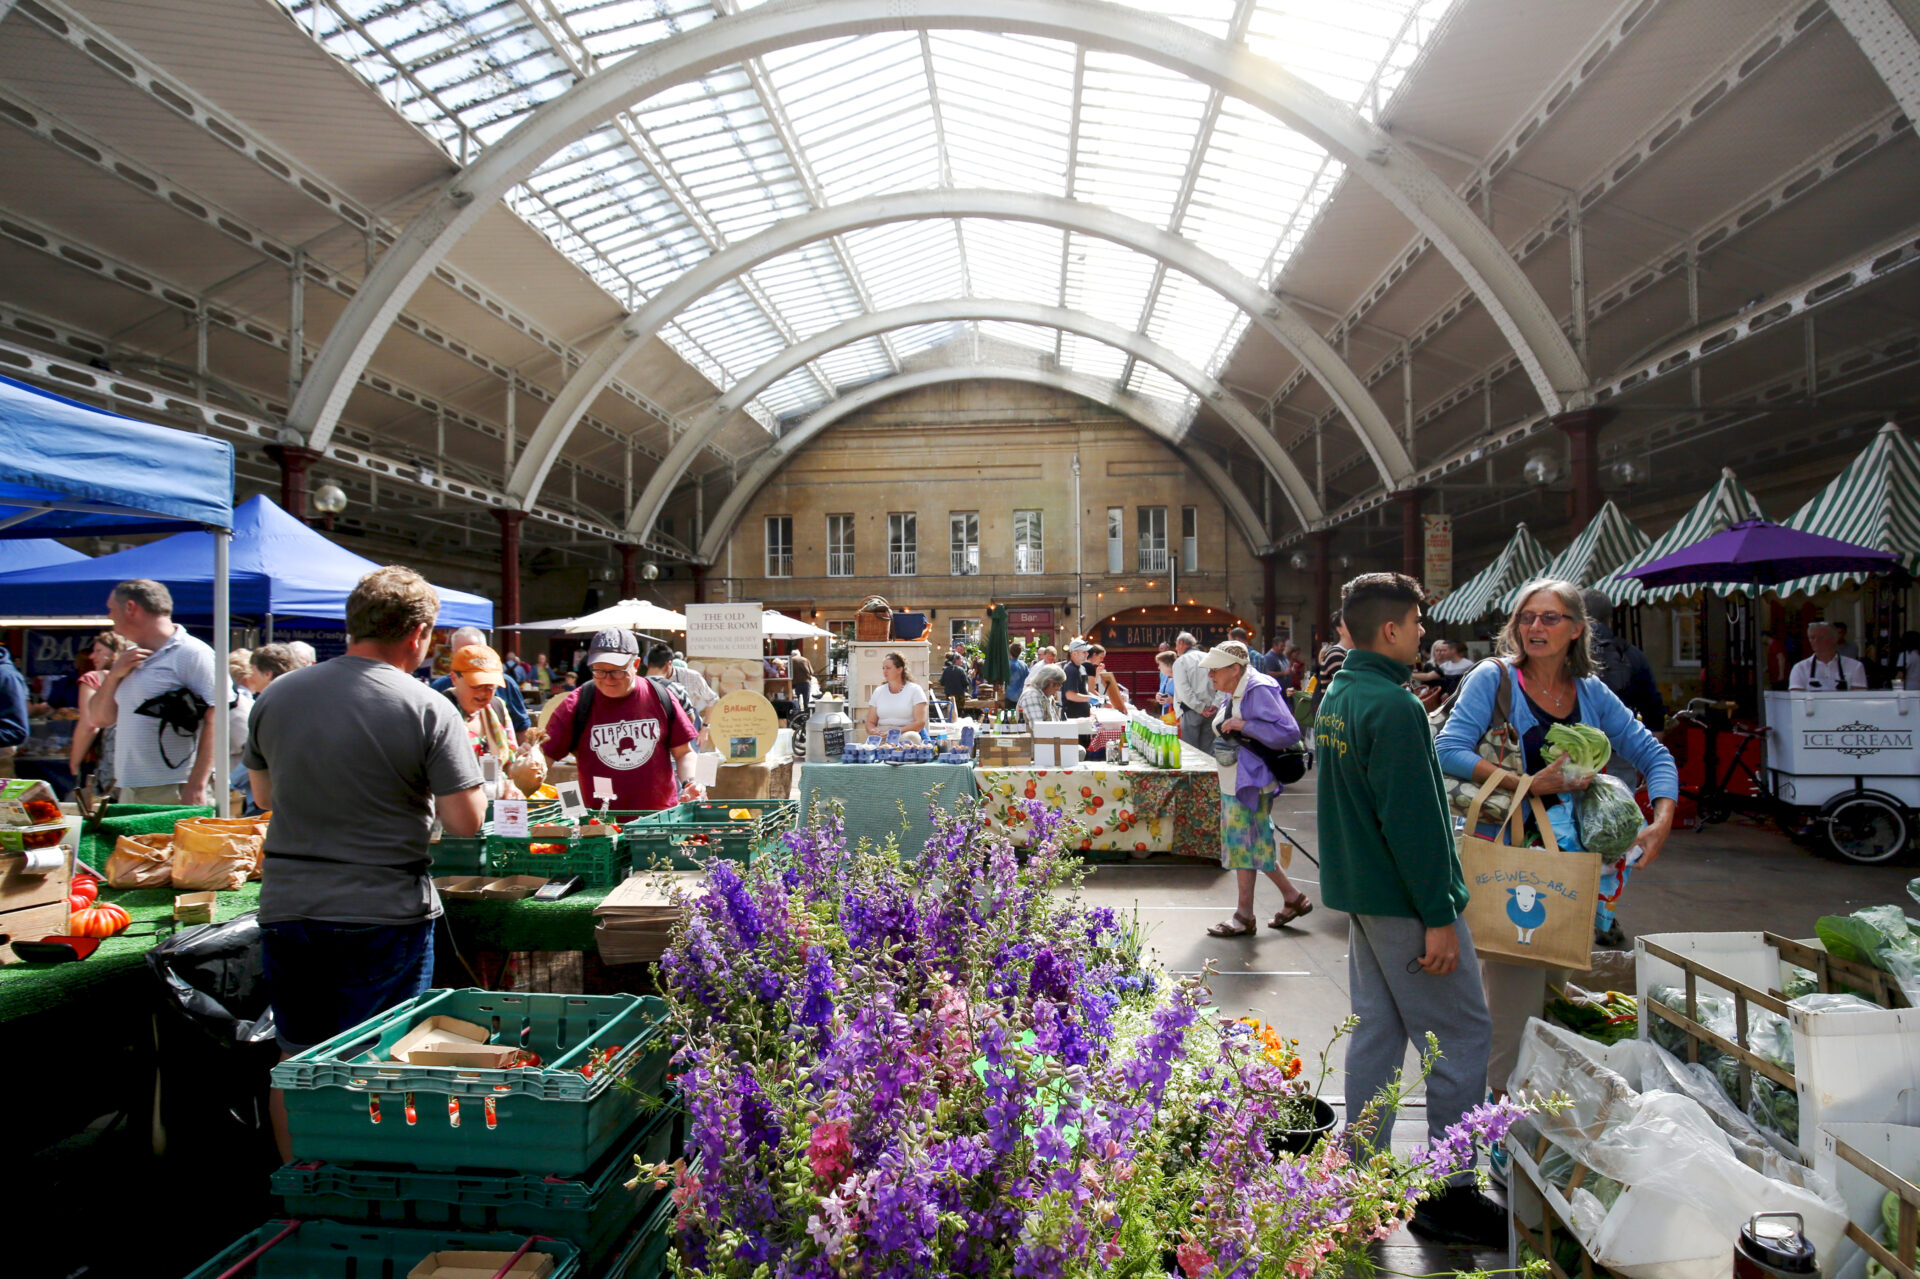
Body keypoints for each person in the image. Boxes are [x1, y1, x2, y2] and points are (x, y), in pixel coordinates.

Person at [246, 566, 487, 1160]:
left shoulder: (275, 695)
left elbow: (265, 798)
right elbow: (466, 822)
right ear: (420, 633)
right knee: (383, 1060)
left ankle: (302, 1184)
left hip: (289, 906)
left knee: (296, 1057)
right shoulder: (427, 707)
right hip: (383, 911)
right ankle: (375, 1184)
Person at [1435, 579, 1679, 1106]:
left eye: (1549, 618)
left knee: (1552, 986)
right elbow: (1447, 750)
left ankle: (1530, 1112)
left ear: (1575, 629)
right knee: (1512, 993)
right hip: (1511, 854)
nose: (1535, 628)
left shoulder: (1591, 692)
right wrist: (1526, 783)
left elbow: (1654, 755)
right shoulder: (1494, 679)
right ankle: (1499, 1115)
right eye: (1527, 617)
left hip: (1571, 866)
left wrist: (1661, 817)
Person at [1314, 572, 1501, 1247]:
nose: (1424, 632)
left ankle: (1361, 1173)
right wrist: (1442, 913)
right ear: (1391, 629)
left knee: (1378, 1036)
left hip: (1365, 895)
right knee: (1462, 1039)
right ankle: (1448, 1193)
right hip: (1404, 900)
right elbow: (1416, 824)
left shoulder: (1340, 693)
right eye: (1418, 622)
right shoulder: (1396, 708)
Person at [1199, 640, 1312, 939]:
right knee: (1253, 842)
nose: (1211, 675)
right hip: (1240, 779)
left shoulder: (1257, 688)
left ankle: (1244, 916)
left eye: (1215, 670)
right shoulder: (1239, 688)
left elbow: (1288, 731)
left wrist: (1243, 724)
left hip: (1248, 781)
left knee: (1244, 843)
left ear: (1235, 668)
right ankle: (1293, 898)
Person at [540, 629, 702, 811]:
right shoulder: (577, 703)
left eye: (617, 671)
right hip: (598, 825)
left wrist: (690, 782)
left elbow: (684, 752)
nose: (608, 679)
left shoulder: (660, 696)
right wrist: (524, 773)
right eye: (599, 671)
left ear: (636, 664)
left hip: (657, 821)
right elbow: (544, 757)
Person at [90, 579, 219, 805]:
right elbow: (100, 718)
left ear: (130, 607)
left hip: (175, 788)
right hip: (129, 786)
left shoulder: (192, 653)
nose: (109, 617)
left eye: (111, 609)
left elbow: (219, 719)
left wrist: (197, 785)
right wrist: (113, 676)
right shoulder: (129, 656)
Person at [1581, 590, 1664, 728]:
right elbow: (1653, 707)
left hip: (1572, 741)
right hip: (1620, 739)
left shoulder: (1561, 652)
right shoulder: (1631, 653)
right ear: (1610, 620)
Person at [231, 644, 298, 814]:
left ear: (267, 673)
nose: (250, 676)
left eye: (253, 669)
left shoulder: (269, 703)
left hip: (271, 798)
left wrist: (230, 783)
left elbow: (257, 754)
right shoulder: (298, 696)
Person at [444, 644, 518, 789]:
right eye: (476, 685)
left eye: (491, 686)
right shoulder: (440, 711)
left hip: (494, 799)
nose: (484, 693)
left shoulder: (498, 707)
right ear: (454, 678)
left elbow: (510, 761)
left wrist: (512, 786)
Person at [69, 630, 134, 796]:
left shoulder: (93, 678)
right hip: (133, 762)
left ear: (115, 654)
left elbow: (89, 725)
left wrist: (74, 763)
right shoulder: (136, 677)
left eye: (99, 651)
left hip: (101, 762)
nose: (92, 656)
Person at [431, 626, 530, 734]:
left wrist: (522, 748)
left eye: (490, 686)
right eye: (462, 652)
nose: (483, 692)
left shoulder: (505, 685)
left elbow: (521, 727)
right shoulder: (438, 689)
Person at [1171, 632, 1217, 752]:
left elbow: (1184, 690)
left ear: (1181, 643)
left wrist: (1201, 708)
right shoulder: (1209, 657)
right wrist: (1215, 705)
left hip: (1191, 710)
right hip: (1212, 710)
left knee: (1192, 751)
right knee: (1208, 751)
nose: (1176, 648)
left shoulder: (1181, 661)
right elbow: (1221, 685)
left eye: (1176, 645)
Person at [864, 651, 930, 736]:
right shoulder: (878, 691)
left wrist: (897, 731)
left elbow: (920, 723)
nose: (885, 671)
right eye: (883, 668)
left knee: (911, 737)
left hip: (906, 732)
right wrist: (872, 730)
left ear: (900, 669)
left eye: (888, 668)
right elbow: (870, 722)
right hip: (882, 733)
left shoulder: (915, 690)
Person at [1789, 621, 1868, 691]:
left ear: (1834, 639)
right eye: (1812, 638)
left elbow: (1858, 698)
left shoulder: (1855, 667)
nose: (1816, 641)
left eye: (1821, 637)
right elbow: (1797, 700)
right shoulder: (1800, 668)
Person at [1310, 611, 1349, 718]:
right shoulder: (1336, 654)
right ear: (1339, 629)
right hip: (1335, 717)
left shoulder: (1346, 653)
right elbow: (1347, 692)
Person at [1086, 644, 1131, 714]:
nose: (1102, 660)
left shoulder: (1088, 666)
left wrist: (1097, 672)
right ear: (1094, 654)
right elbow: (1091, 689)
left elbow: (1090, 685)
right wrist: (1105, 700)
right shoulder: (1088, 666)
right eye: (1101, 657)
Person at [1018, 663, 1066, 727]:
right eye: (1059, 684)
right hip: (1035, 737)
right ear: (1050, 682)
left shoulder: (1048, 696)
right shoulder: (1031, 696)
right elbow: (1039, 727)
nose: (1059, 688)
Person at [1061, 639, 1099, 710]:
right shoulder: (1070, 670)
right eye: (1084, 652)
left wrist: (1096, 698)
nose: (1087, 654)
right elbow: (1070, 695)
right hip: (1073, 715)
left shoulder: (1082, 668)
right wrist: (1090, 698)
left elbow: (1083, 691)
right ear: (1075, 653)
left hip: (1082, 714)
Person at [788, 644, 816, 714]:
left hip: (795, 683)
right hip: (805, 682)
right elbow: (811, 672)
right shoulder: (805, 660)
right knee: (806, 701)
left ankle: (798, 714)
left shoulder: (790, 660)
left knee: (796, 699)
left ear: (792, 654)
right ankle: (806, 715)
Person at [1006, 642, 1030, 708]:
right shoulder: (1024, 665)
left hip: (1010, 696)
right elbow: (1028, 679)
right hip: (1022, 696)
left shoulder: (1008, 665)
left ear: (1010, 652)